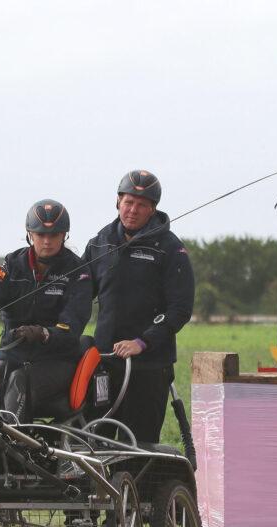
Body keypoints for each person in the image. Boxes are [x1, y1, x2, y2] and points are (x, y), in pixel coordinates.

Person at [83, 170, 194, 445]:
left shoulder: (171, 248)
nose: (133, 210)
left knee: (137, 447)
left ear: (153, 209)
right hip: (104, 363)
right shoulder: (99, 243)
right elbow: (78, 295)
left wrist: (142, 342)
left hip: (149, 366)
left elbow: (180, 309)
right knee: (93, 443)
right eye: (128, 202)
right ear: (118, 201)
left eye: (142, 205)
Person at [0, 199, 92, 423]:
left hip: (57, 361)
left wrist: (43, 333)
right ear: (30, 234)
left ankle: (14, 439)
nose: (47, 241)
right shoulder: (11, 264)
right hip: (11, 354)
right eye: (41, 235)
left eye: (54, 235)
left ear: (64, 235)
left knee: (19, 381)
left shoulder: (79, 272)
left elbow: (73, 325)